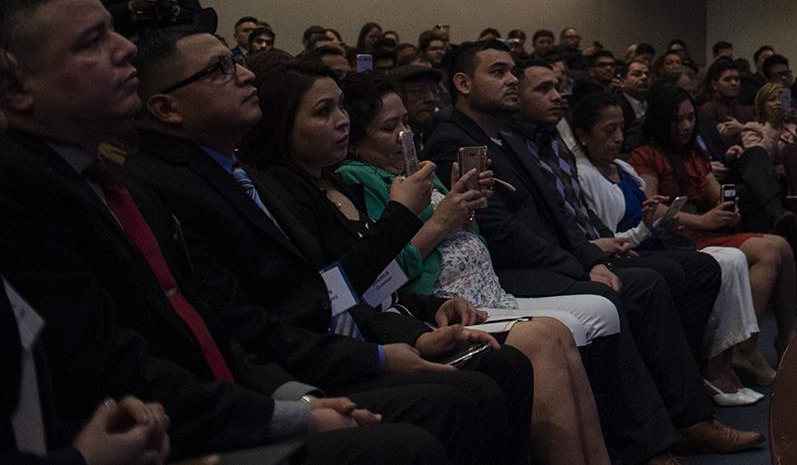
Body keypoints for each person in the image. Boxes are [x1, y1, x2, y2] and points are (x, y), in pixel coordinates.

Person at [0, 0, 446, 465]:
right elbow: (128, 358)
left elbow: (213, 327)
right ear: (14, 86)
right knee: (421, 433)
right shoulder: (47, 189)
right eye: (93, 41)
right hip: (173, 425)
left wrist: (409, 328)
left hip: (244, 389)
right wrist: (298, 403)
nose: (126, 48)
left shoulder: (131, 183)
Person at [121, 33, 532, 465]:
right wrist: (382, 349)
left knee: (504, 366)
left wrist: (419, 321)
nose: (244, 76)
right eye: (221, 69)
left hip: (352, 336)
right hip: (297, 365)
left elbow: (333, 289)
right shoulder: (186, 186)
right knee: (463, 398)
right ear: (166, 108)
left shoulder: (260, 180)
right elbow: (297, 303)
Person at [423, 41, 757, 459]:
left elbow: (559, 214)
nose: (511, 79)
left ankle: (687, 413)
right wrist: (580, 265)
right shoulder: (454, 140)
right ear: (462, 83)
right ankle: (654, 439)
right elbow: (498, 232)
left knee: (688, 271)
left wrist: (590, 258)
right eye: (498, 72)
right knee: (633, 288)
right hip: (506, 272)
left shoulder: (503, 137)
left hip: (542, 259)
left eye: (512, 71)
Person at [334, 73, 619, 465]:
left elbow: (463, 241)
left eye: (405, 123)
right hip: (442, 301)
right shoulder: (358, 178)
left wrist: (464, 209)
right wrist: (442, 219)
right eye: (389, 127)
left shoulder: (412, 172)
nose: (404, 134)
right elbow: (383, 276)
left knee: (563, 330)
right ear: (355, 140)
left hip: (486, 287)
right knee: (547, 337)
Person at [567, 91, 768, 406]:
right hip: (630, 253)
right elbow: (614, 239)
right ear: (582, 135)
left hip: (656, 241)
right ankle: (703, 368)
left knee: (731, 259)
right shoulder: (585, 175)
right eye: (609, 131)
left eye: (621, 128)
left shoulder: (623, 166)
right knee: (711, 264)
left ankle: (722, 361)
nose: (619, 137)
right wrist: (652, 225)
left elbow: (646, 220)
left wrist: (661, 220)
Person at [628, 88, 797, 368]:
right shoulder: (645, 155)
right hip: (675, 241)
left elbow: (715, 192)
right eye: (678, 120)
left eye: (690, 118)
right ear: (661, 121)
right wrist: (702, 220)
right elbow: (652, 209)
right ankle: (742, 347)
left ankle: (784, 337)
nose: (686, 126)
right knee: (769, 252)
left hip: (704, 233)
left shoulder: (693, 154)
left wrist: (729, 210)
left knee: (783, 246)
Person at [387, 63, 447, 141]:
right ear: (396, 96)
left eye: (434, 91)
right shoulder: (388, 147)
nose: (431, 98)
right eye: (419, 92)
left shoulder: (440, 136)